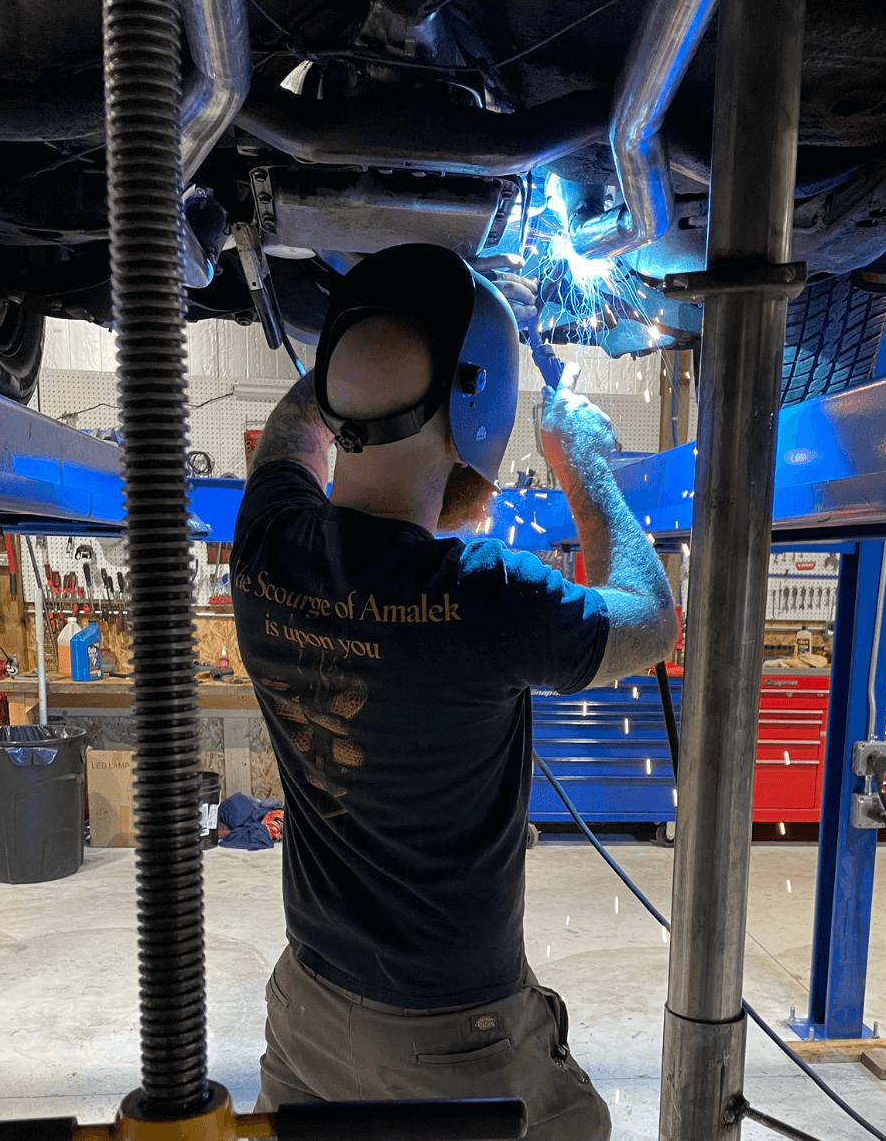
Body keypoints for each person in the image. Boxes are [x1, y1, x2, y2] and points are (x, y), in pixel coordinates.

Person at [232, 243, 677, 1139]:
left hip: (309, 1009)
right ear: (479, 410)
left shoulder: (265, 543)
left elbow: (292, 438)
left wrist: (373, 326)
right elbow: (651, 619)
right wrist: (585, 463)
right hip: (452, 1036)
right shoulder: (485, 594)